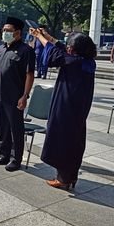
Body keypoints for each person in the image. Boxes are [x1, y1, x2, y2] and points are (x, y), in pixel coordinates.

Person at [30, 28, 96, 189]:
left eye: (70, 46)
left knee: (62, 140)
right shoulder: (86, 61)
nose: (67, 48)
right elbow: (60, 49)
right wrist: (49, 37)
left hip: (65, 107)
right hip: (78, 109)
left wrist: (39, 37)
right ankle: (70, 176)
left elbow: (53, 54)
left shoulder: (72, 61)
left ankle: (64, 178)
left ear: (74, 50)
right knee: (74, 141)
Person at [0, 17, 35, 172]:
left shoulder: (26, 51)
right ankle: (4, 155)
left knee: (16, 129)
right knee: (1, 127)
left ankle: (15, 159)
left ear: (18, 33)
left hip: (14, 97)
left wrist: (24, 96)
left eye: (8, 30)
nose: (5, 32)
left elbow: (29, 75)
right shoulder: (2, 48)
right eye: (4, 30)